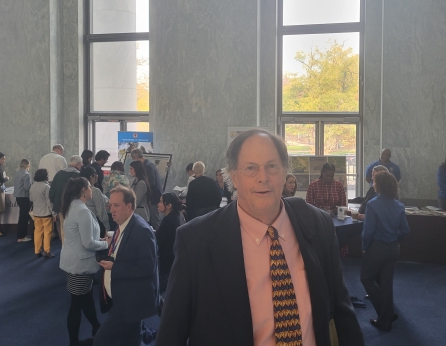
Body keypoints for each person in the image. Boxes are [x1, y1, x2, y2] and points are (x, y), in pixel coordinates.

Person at [156, 129, 363, 345]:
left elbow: (342, 312)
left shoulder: (318, 225)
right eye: (251, 168)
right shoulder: (195, 240)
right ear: (234, 177)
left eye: (272, 166)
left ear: (285, 173)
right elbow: (171, 333)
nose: (262, 178)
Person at [94, 186, 159, 346]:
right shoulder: (124, 224)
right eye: (110, 205)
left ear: (129, 207)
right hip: (123, 298)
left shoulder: (141, 231)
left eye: (116, 205)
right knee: (132, 339)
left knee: (101, 340)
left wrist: (113, 267)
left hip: (131, 302)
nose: (111, 210)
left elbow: (146, 267)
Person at [59, 177, 108, 346]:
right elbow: (88, 243)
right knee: (77, 303)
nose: (91, 189)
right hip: (79, 264)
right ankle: (75, 341)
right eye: (89, 187)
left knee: (84, 299)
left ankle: (96, 327)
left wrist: (98, 239)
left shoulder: (73, 206)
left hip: (74, 261)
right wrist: (106, 243)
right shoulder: (82, 211)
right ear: (82, 190)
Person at [361, 171, 410, 332]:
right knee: (386, 283)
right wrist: (393, 238)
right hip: (394, 248)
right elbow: (405, 230)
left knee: (366, 279)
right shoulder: (398, 205)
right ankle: (388, 316)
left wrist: (364, 247)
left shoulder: (373, 204)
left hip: (377, 248)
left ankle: (385, 315)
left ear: (379, 185)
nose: (373, 185)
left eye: (374, 182)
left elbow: (368, 232)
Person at [156, 192, 185, 294]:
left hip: (167, 262)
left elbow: (158, 240)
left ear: (169, 205)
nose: (158, 204)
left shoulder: (168, 221)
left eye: (160, 202)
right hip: (177, 259)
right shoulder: (179, 215)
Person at [49, 155, 82, 242]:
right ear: (78, 164)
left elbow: (51, 193)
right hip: (75, 207)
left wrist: (55, 203)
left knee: (63, 228)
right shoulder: (79, 175)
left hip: (60, 206)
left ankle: (64, 247)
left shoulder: (58, 174)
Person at [131, 148, 162, 229]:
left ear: (136, 157)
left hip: (152, 199)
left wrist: (141, 188)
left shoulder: (147, 166)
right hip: (150, 198)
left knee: (155, 222)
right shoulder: (147, 164)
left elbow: (151, 183)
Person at [29, 169, 54, 258]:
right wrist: (54, 213)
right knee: (47, 232)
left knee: (37, 232)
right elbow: (49, 202)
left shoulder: (33, 186)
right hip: (46, 213)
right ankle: (47, 251)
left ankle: (37, 250)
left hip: (36, 213)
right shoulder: (46, 187)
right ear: (45, 176)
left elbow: (31, 199)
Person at [80, 166, 110, 238]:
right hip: (95, 223)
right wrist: (107, 227)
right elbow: (101, 212)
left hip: (81, 222)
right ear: (91, 176)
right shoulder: (95, 191)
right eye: (96, 174)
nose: (97, 176)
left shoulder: (77, 190)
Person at [102, 161, 130, 231]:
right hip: (119, 207)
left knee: (111, 228)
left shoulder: (105, 178)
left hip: (107, 206)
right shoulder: (124, 178)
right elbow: (128, 192)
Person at [13, 159, 32, 242]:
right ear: (28, 165)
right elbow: (27, 187)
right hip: (24, 196)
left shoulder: (17, 173)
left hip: (18, 196)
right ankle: (21, 237)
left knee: (22, 216)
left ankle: (21, 235)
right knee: (24, 217)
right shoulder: (26, 174)